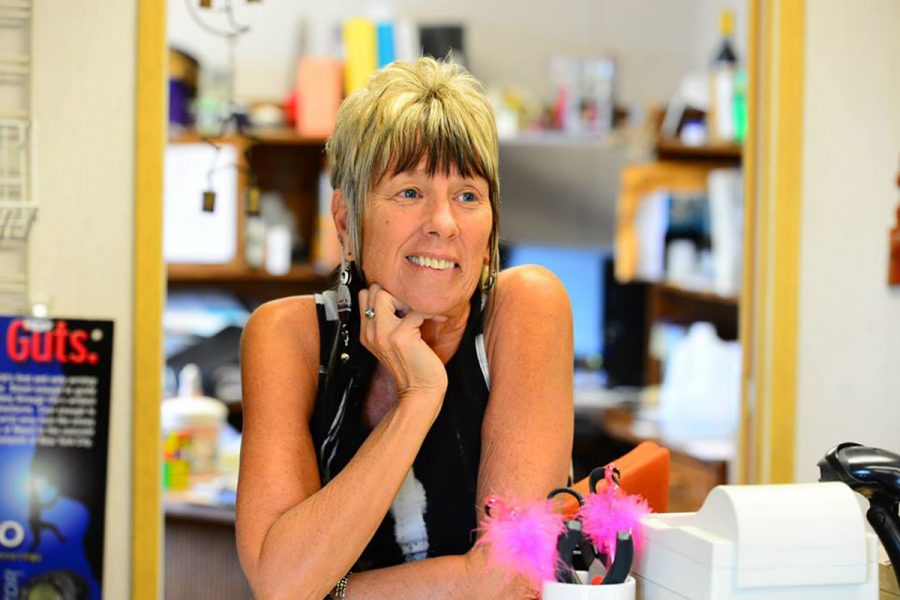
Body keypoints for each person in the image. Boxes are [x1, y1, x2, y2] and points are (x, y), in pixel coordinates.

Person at [236, 57, 574, 599]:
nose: (444, 223)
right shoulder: (287, 337)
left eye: (467, 195)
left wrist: (331, 592)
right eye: (410, 192)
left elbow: (510, 577)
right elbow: (280, 583)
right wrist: (419, 398)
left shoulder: (527, 307)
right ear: (347, 221)